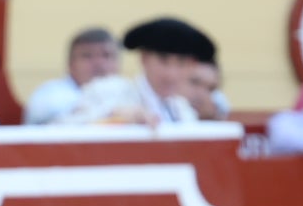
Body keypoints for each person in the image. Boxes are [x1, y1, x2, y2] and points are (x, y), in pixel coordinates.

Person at [64, 15, 216, 125]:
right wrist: (115, 117)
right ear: (144, 59)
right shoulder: (106, 91)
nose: (171, 74)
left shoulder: (183, 110)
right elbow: (64, 130)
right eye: (163, 61)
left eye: (181, 64)